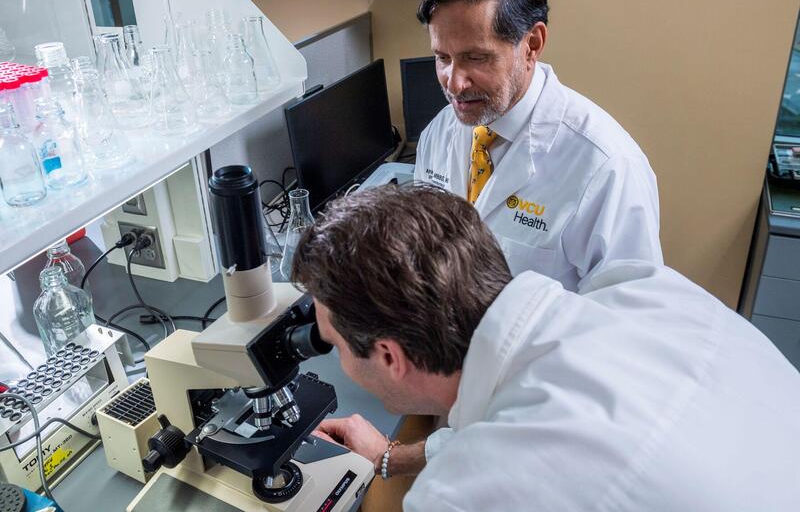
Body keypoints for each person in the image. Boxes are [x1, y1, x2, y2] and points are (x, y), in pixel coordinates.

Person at [296, 184, 800, 512]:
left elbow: (518, 463)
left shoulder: (465, 496)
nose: (335, 356)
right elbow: (529, 431)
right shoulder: (639, 287)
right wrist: (390, 457)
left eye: (335, 342)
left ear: (389, 356)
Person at [414, 0, 662, 292]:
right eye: (443, 58)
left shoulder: (608, 167)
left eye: (476, 57)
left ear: (532, 44)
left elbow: (625, 319)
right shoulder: (440, 131)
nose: (454, 83)